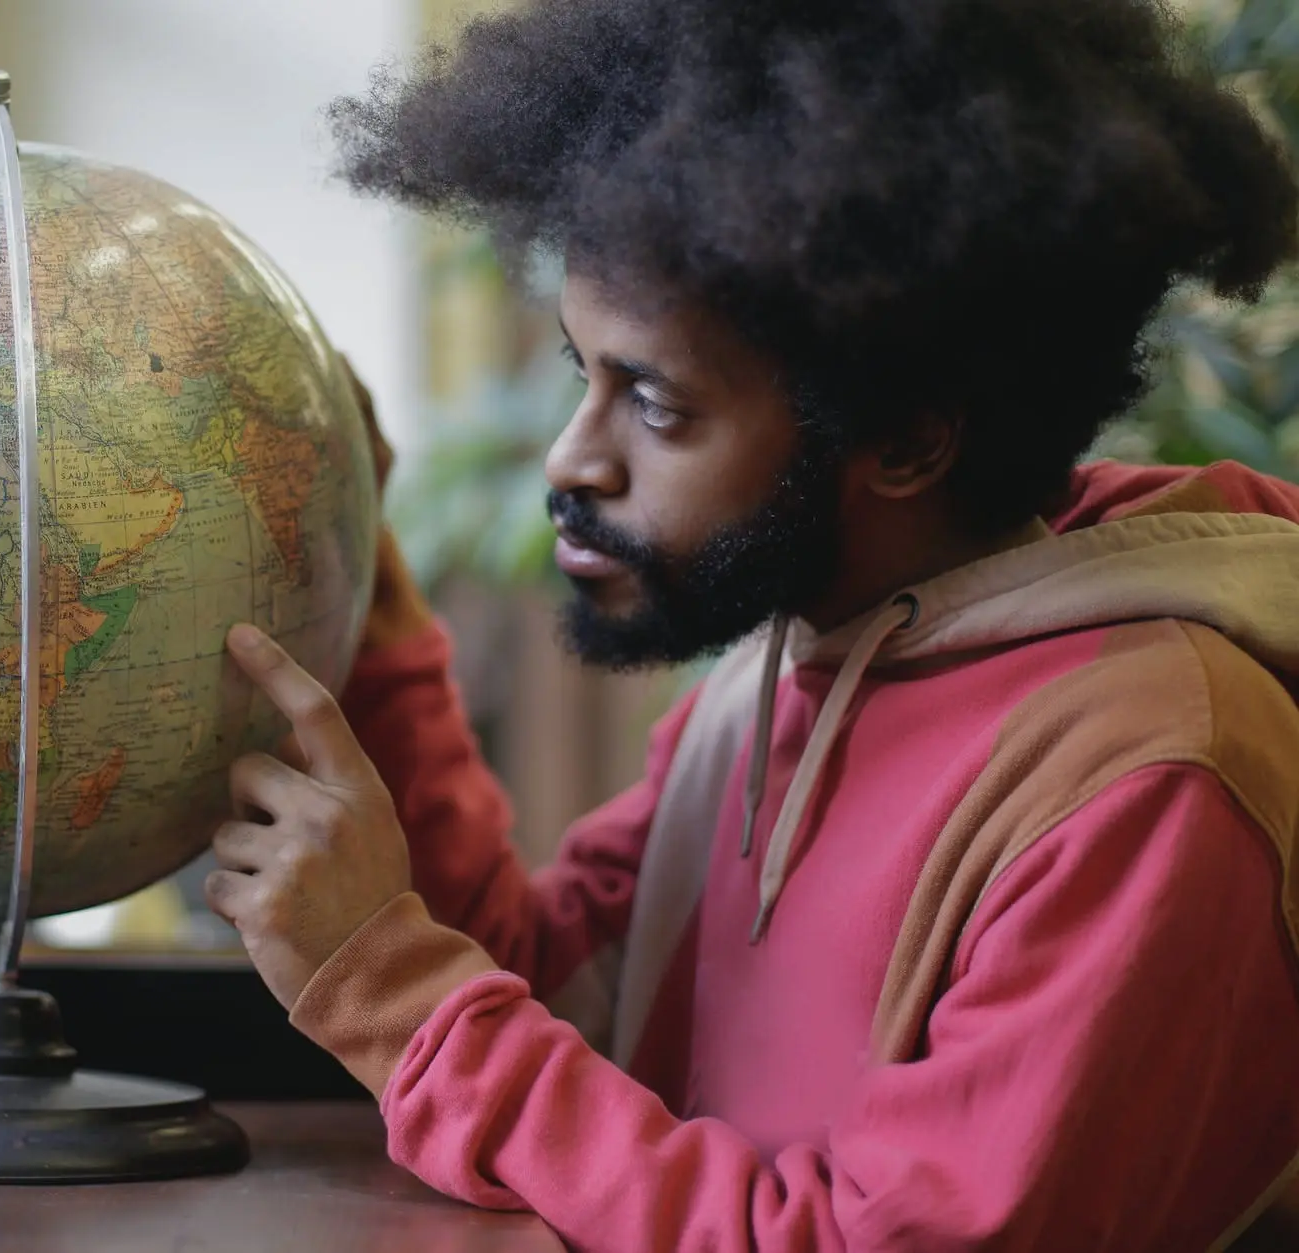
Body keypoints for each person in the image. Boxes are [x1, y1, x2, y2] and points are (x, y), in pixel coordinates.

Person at [202, 0, 1299, 1248]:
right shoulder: (783, 666)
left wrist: (389, 985)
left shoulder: (1152, 784)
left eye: (655, 405)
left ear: (903, 441)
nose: (572, 457)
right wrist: (374, 616)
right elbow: (552, 993)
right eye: (582, 372)